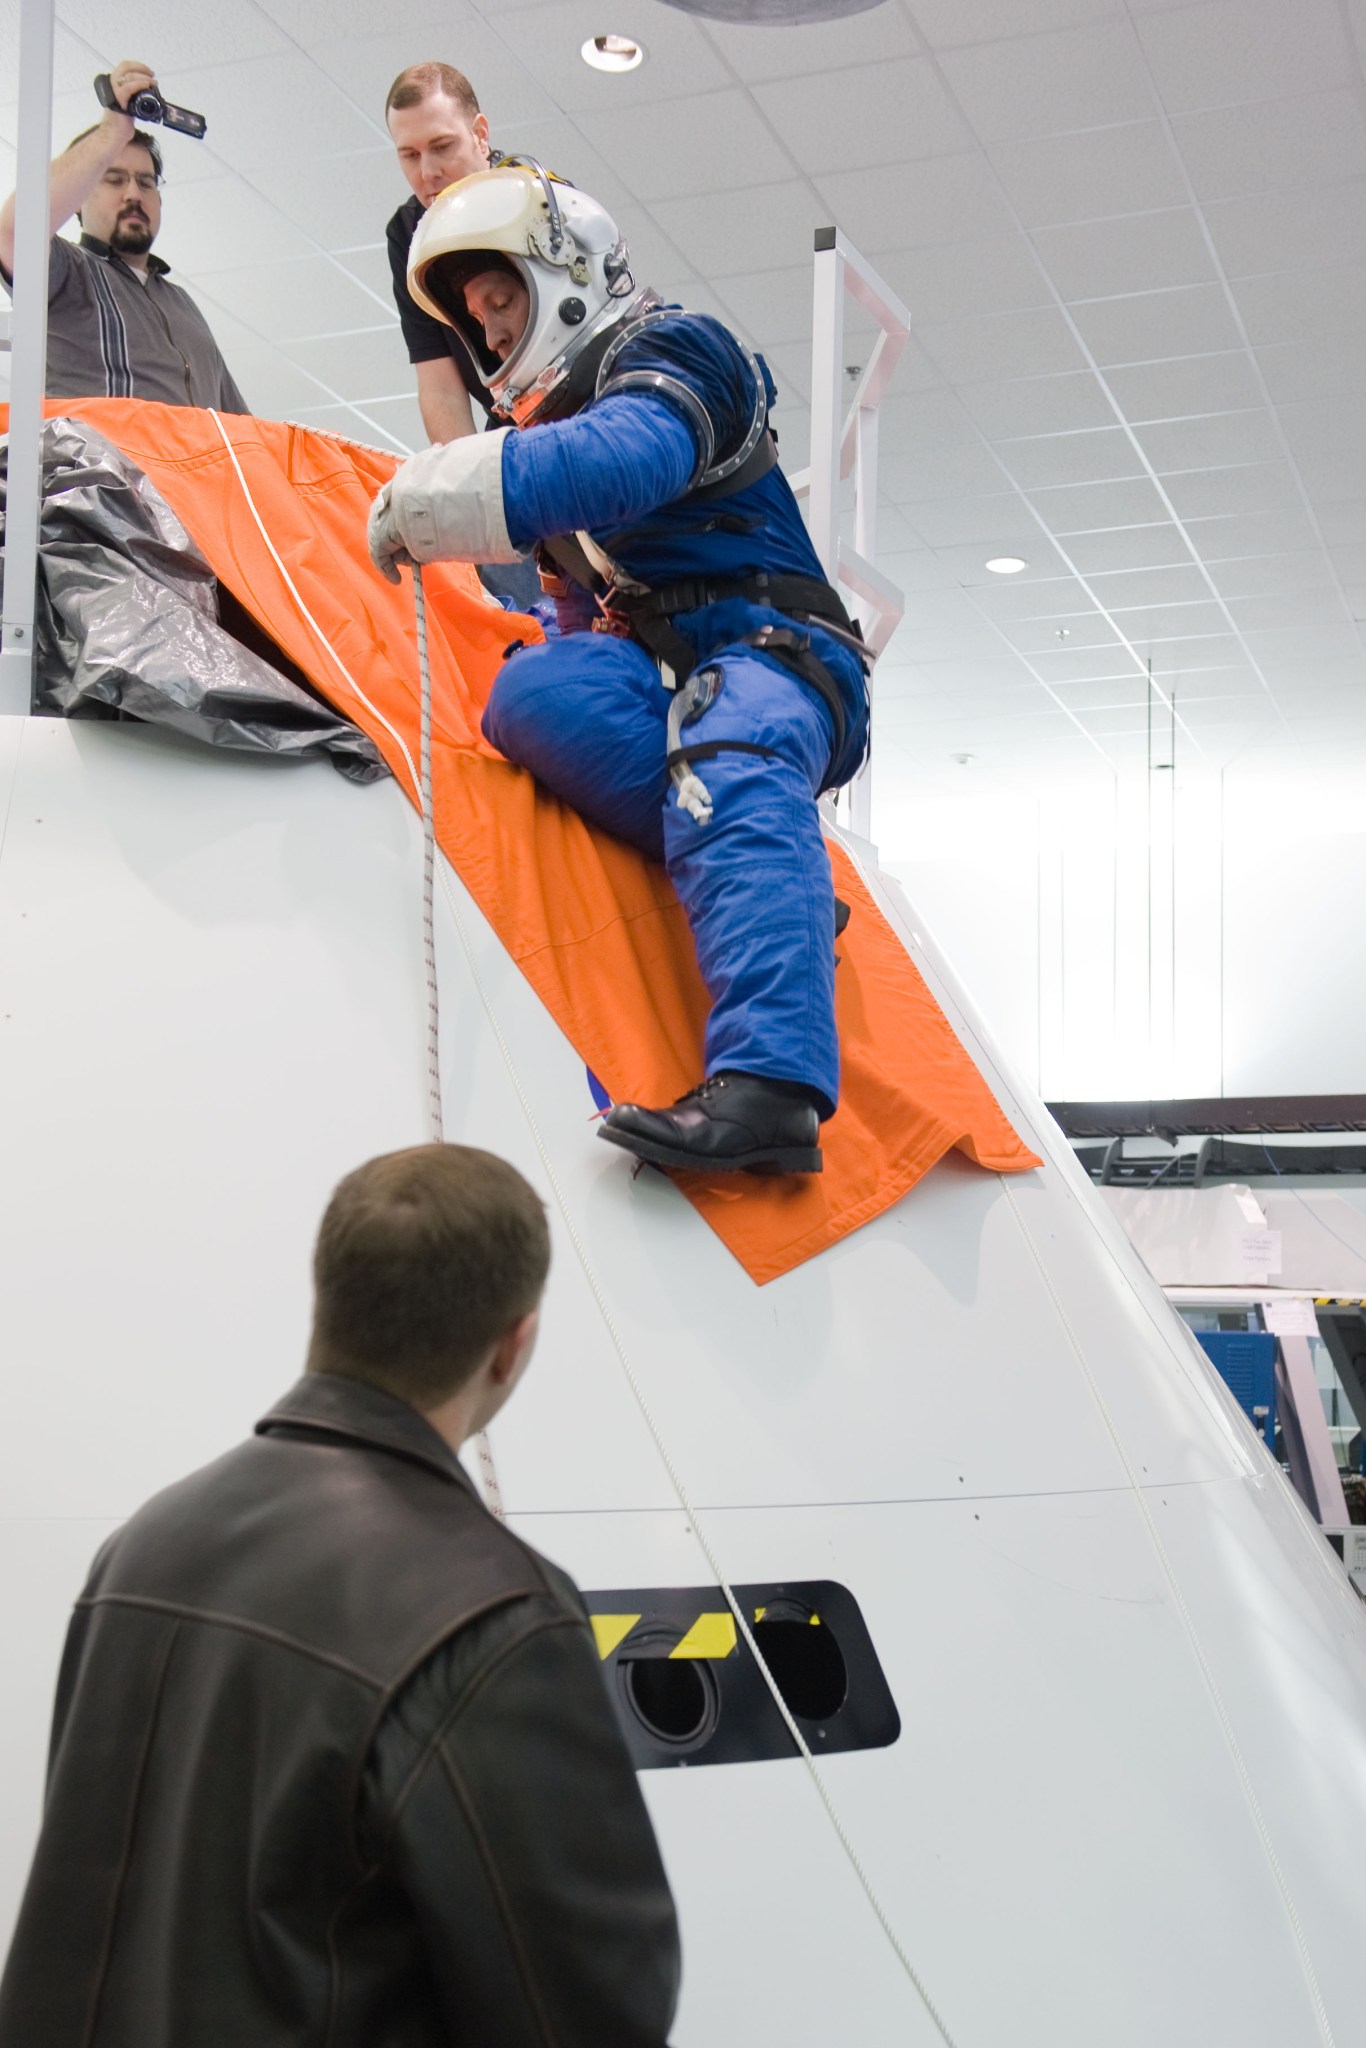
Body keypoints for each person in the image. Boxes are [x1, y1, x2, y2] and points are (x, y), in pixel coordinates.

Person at [0, 1145, 680, 2047]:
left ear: (330, 1298)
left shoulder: (142, 1549)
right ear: (513, 1343)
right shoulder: (496, 1624)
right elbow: (590, 2013)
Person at [368, 167, 872, 1177]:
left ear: (563, 275)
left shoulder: (682, 349)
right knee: (532, 694)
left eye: (501, 297)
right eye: (475, 318)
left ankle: (770, 1093)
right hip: (673, 677)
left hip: (781, 657)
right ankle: (766, 871)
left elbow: (631, 456)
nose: (492, 330)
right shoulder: (549, 437)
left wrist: (456, 487)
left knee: (724, 746)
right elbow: (574, 617)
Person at [0, 60, 247, 411]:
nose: (133, 193)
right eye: (114, 180)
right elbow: (15, 229)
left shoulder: (181, 304)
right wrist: (111, 132)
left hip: (190, 466)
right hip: (102, 464)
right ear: (79, 200)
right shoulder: (68, 272)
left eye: (146, 183)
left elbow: (240, 426)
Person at [383, 61, 540, 610]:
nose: (426, 171)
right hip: (504, 441)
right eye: (408, 154)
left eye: (442, 146)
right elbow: (441, 387)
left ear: (480, 134)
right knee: (520, 613)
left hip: (572, 427)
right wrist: (470, 490)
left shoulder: (537, 203)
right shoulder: (409, 234)